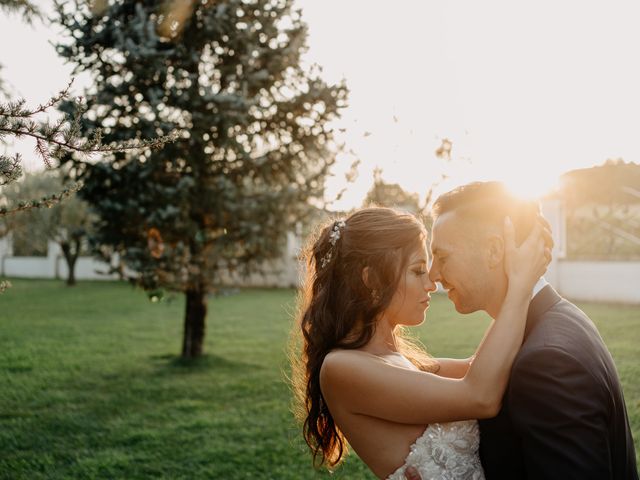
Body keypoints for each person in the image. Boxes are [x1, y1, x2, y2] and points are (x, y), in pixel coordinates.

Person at [291, 206, 550, 479]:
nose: (431, 283)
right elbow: (480, 396)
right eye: (417, 271)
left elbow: (486, 368)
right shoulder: (341, 368)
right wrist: (520, 286)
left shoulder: (402, 361)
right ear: (372, 280)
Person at [405, 181, 638, 480]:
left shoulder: (547, 362)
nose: (434, 275)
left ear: (493, 251)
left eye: (443, 257)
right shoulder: (553, 318)